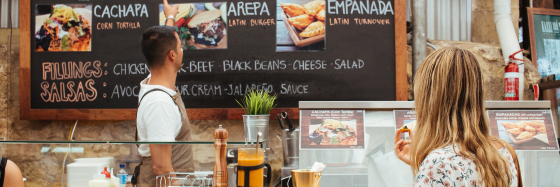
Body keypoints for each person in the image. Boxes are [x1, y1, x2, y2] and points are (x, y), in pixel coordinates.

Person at [394, 47, 521, 187]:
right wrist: (423, 163)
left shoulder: (438, 162)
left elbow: (446, 171)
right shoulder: (503, 151)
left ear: (428, 100)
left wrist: (427, 167)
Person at [135, 0, 193, 186]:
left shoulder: (154, 81)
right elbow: (161, 168)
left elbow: (163, 44)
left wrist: (170, 17)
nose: (182, 49)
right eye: (180, 47)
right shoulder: (159, 102)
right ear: (172, 55)